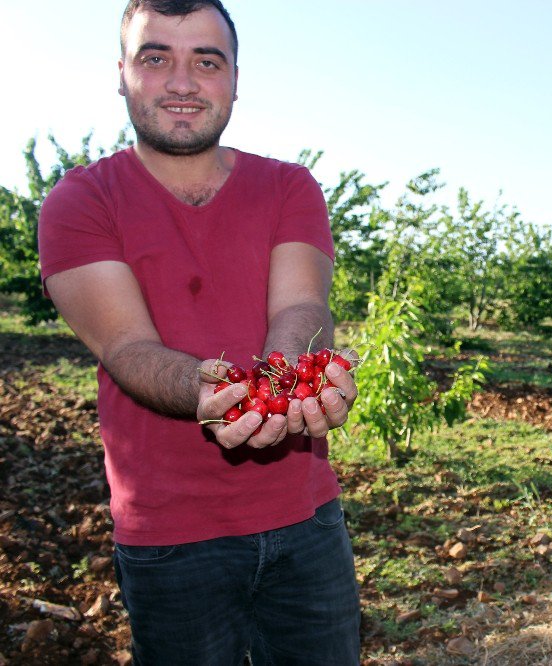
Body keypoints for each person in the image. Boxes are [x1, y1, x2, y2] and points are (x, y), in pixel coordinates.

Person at [37, 1, 361, 663]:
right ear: (122, 74)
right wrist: (207, 391)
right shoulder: (81, 203)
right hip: (169, 537)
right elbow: (127, 347)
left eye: (206, 62)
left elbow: (302, 306)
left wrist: (288, 381)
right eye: (156, 58)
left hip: (306, 520)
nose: (182, 81)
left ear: (236, 79)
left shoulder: (289, 187)